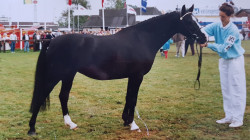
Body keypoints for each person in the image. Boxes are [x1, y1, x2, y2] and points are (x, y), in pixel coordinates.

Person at [200, 2, 246, 128]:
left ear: (230, 16)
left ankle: (238, 118)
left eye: (223, 16)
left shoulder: (233, 30)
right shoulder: (217, 25)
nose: (221, 18)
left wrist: (208, 44)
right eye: (220, 16)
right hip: (224, 61)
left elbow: (225, 48)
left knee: (236, 88)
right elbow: (204, 30)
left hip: (235, 60)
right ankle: (229, 116)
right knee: (226, 88)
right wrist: (201, 36)